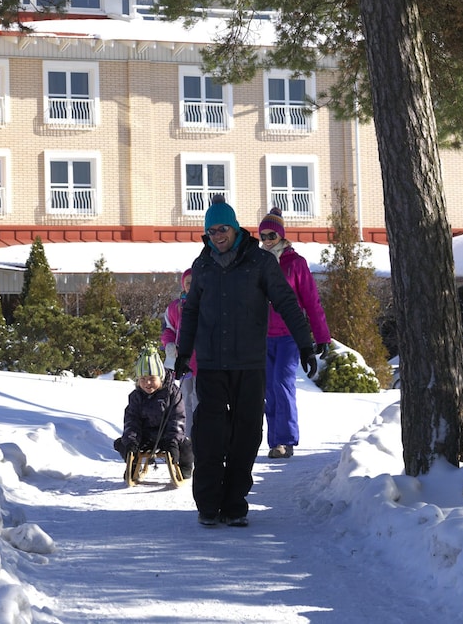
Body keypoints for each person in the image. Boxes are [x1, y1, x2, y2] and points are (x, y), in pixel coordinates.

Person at [174, 195, 316, 527]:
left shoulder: (260, 263)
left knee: (247, 434)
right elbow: (190, 311)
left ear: (235, 228)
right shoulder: (203, 266)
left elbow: (286, 302)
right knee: (209, 435)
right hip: (210, 363)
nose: (217, 235)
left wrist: (305, 344)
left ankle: (235, 503)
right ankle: (208, 504)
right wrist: (183, 353)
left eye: (223, 228)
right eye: (211, 231)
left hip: (250, 364)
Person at [258, 207, 331, 460]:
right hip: (262, 336)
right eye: (263, 236)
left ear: (281, 235)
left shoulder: (295, 264)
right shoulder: (257, 263)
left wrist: (321, 336)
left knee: (282, 383)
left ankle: (285, 440)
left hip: (289, 335)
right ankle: (274, 441)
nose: (267, 240)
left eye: (271, 235)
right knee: (268, 388)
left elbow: (312, 301)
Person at [113, 347, 194, 478]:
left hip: (167, 436)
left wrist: (172, 441)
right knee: (122, 443)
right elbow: (131, 421)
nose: (147, 383)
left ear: (160, 377)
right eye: (143, 379)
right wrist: (131, 442)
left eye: (152, 378)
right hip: (144, 437)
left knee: (186, 445)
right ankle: (132, 464)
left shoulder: (172, 393)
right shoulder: (136, 396)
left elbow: (177, 419)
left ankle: (185, 467)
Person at [161, 269, 197, 436]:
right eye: (187, 282)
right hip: (184, 360)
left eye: (194, 281)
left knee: (200, 400)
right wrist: (169, 343)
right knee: (184, 400)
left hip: (204, 360)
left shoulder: (208, 302)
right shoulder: (175, 307)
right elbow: (169, 329)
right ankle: (186, 438)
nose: (191, 285)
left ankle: (202, 438)